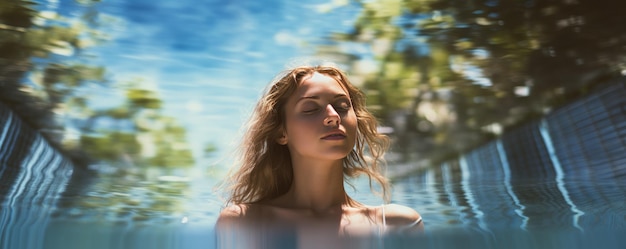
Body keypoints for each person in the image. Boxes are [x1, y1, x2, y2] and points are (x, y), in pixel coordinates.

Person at [215, 64, 423, 247]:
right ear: (281, 132)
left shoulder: (398, 225)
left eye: (342, 106)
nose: (333, 116)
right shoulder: (244, 222)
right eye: (311, 109)